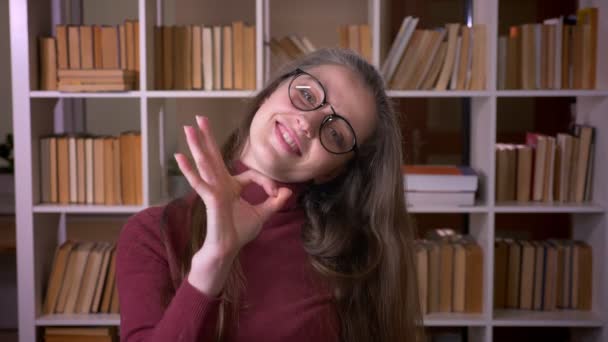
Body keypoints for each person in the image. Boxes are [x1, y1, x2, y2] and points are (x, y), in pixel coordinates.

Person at [116, 48, 423, 342]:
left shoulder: (352, 257)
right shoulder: (151, 233)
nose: (308, 123)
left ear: (333, 171)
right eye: (306, 95)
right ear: (270, 92)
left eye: (335, 134)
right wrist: (216, 258)